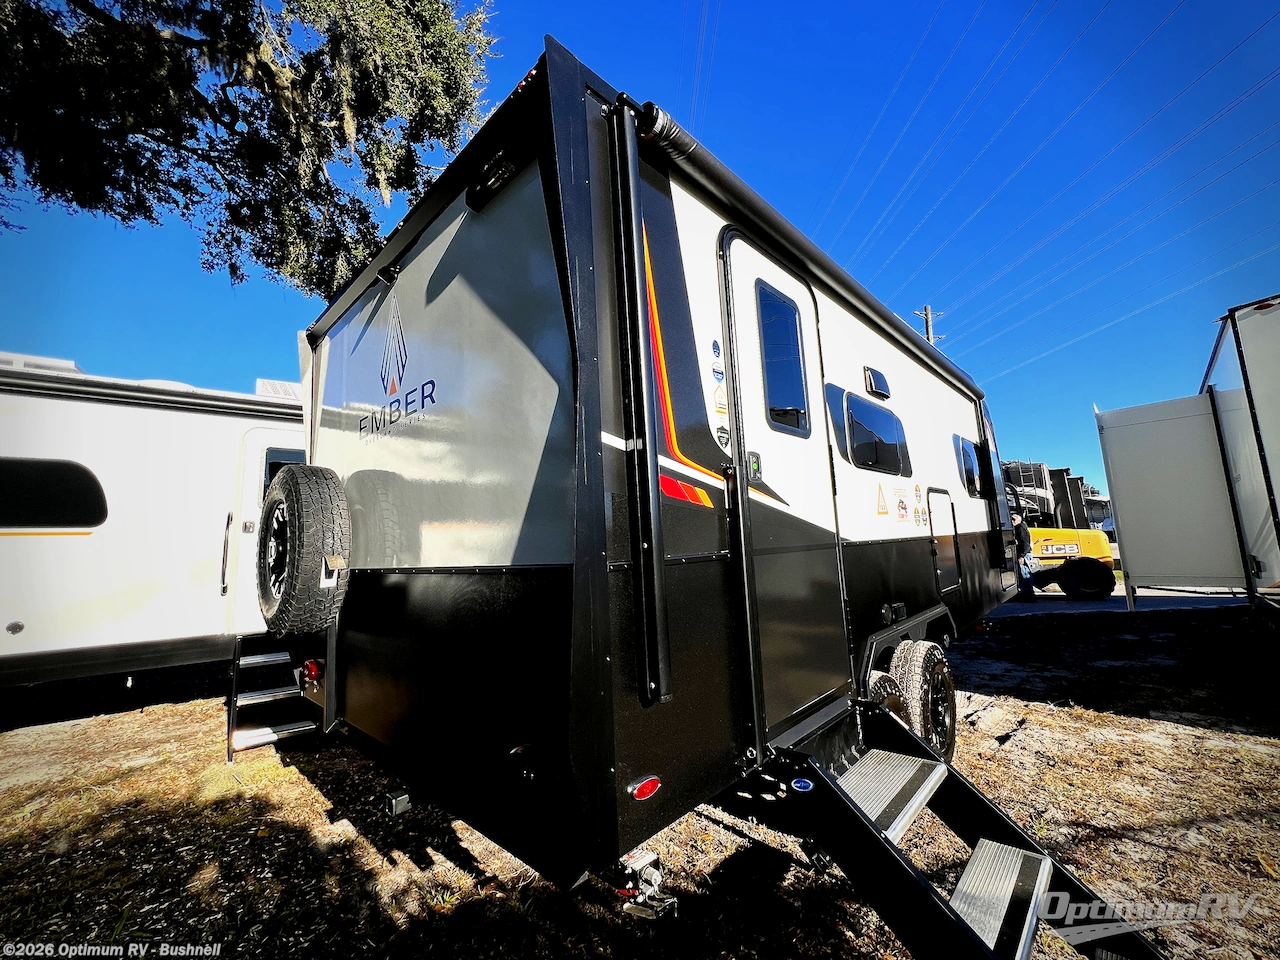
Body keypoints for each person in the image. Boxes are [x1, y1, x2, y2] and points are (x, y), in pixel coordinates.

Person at [1012, 513, 1035, 602]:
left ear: (1018, 520)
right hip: (1024, 553)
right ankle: (1027, 594)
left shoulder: (1021, 529)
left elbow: (1025, 544)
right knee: (1023, 574)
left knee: (1025, 574)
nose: (1012, 521)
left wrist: (1022, 556)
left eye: (1014, 519)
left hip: (1024, 554)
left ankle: (1029, 595)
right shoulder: (1020, 528)